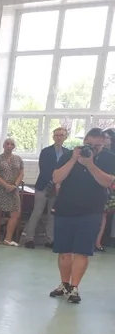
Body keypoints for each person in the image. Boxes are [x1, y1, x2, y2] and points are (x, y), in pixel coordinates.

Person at [49, 127, 115, 304]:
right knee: (64, 251)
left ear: (103, 144)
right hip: (65, 209)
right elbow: (56, 178)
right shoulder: (69, 155)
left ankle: (74, 287)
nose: (92, 148)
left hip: (90, 211)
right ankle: (64, 283)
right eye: (89, 145)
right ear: (84, 141)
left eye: (97, 146)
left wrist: (90, 164)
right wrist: (73, 160)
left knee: (82, 251)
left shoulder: (109, 158)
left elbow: (107, 182)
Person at [24, 127, 69, 249]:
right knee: (37, 212)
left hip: (59, 188)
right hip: (43, 186)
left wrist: (59, 184)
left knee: (52, 214)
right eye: (57, 135)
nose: (59, 137)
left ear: (65, 137)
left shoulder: (67, 153)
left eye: (61, 135)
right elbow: (44, 169)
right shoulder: (46, 151)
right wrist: (54, 181)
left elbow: (67, 171)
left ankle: (50, 240)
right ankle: (29, 238)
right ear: (53, 137)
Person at [0, 137, 24, 246]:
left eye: (12, 144)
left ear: (14, 147)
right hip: (0, 189)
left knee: (15, 213)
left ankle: (8, 239)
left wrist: (14, 185)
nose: (9, 146)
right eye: (7, 144)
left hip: (13, 190)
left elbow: (21, 173)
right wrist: (5, 185)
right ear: (3, 145)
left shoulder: (18, 159)